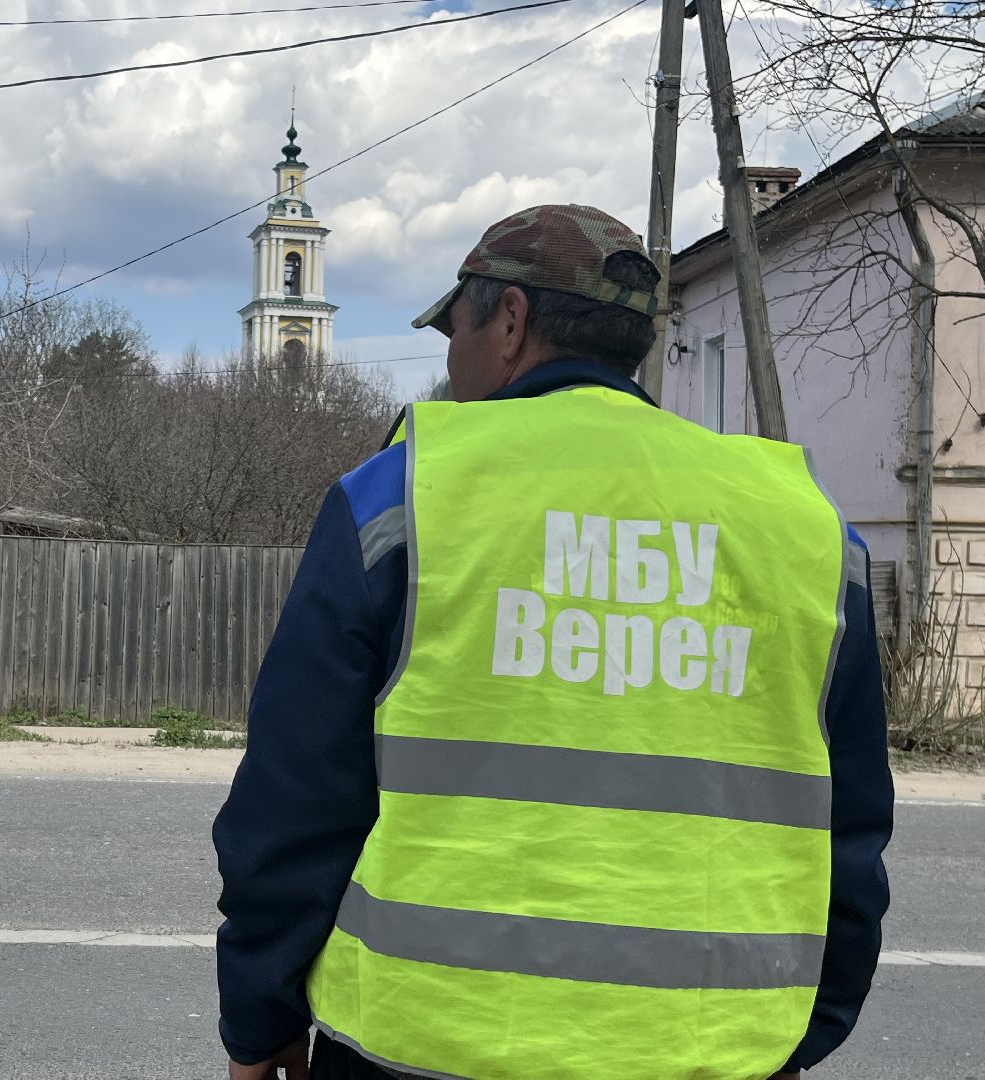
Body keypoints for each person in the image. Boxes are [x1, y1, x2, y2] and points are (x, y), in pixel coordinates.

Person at [213, 204, 893, 1080]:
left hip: (421, 1049)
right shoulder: (805, 527)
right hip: (712, 1057)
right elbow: (852, 828)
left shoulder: (403, 496)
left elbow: (296, 803)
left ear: (508, 321)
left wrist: (259, 1023)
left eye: (452, 329)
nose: (448, 364)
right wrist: (802, 1033)